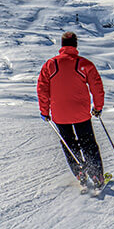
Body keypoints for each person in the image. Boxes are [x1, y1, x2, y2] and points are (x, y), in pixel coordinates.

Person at [37, 31, 105, 188]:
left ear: (62, 45)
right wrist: (98, 107)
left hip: (60, 115)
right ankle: (96, 175)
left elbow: (42, 90)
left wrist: (44, 111)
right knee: (88, 143)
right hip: (81, 113)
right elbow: (97, 87)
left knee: (69, 143)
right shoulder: (84, 64)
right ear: (75, 45)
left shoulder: (50, 65)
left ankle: (80, 172)